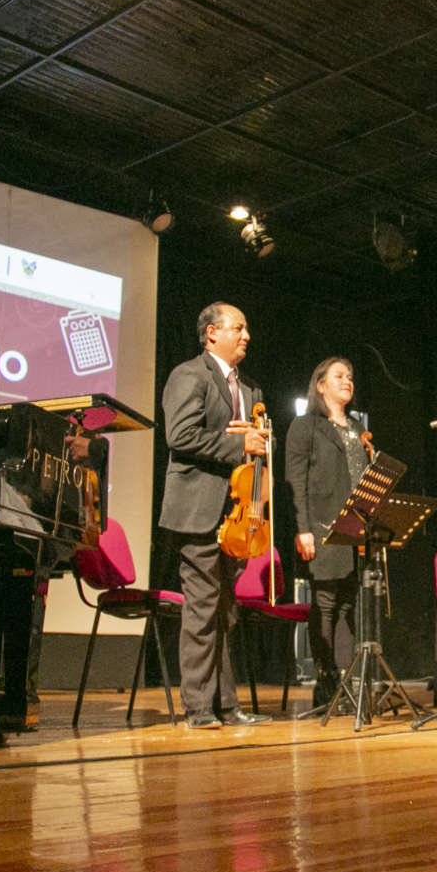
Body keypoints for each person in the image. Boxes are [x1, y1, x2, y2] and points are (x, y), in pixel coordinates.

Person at [157, 302, 274, 729]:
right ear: (211, 333)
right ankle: (199, 708)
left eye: (246, 329)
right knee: (203, 608)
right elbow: (181, 435)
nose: (246, 336)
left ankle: (227, 705)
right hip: (198, 512)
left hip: (238, 516)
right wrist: (238, 445)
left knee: (226, 611)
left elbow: (253, 451)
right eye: (238, 328)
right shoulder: (189, 374)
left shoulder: (251, 390)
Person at [284, 357, 368, 708]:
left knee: (348, 605)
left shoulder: (357, 430)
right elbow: (295, 481)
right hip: (321, 527)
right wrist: (303, 529)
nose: (347, 380)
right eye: (339, 376)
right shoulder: (306, 427)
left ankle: (347, 682)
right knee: (326, 603)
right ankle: (326, 679)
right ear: (320, 385)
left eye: (350, 376)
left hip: (356, 531)